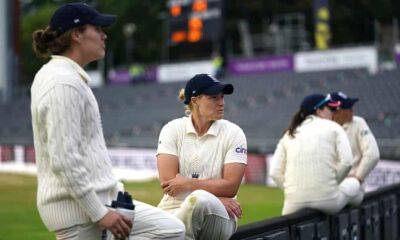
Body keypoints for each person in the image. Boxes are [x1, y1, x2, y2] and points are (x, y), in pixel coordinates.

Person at [30, 3, 185, 240]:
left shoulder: (65, 77)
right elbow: (64, 158)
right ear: (76, 35)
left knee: (172, 229)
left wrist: (115, 191)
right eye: (98, 28)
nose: (104, 35)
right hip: (82, 216)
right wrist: (99, 212)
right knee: (172, 231)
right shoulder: (62, 82)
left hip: (100, 204)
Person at [156, 74, 247, 240]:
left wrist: (188, 184)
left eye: (222, 97)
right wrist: (218, 197)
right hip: (176, 207)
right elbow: (169, 184)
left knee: (200, 200)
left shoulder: (234, 133)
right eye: (213, 97)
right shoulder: (172, 129)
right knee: (134, 215)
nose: (221, 103)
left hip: (220, 213)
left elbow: (231, 186)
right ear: (195, 100)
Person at [270, 93, 363, 215]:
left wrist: (293, 191)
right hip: (329, 203)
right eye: (331, 109)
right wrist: (334, 183)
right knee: (356, 185)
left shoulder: (289, 133)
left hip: (292, 204)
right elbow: (347, 162)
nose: (334, 112)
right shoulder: (334, 127)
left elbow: (274, 173)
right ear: (319, 111)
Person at [330, 91, 380, 184]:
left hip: (350, 182)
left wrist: (358, 177)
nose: (352, 110)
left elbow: (373, 154)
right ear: (337, 112)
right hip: (330, 184)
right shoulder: (323, 127)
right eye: (348, 108)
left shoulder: (358, 122)